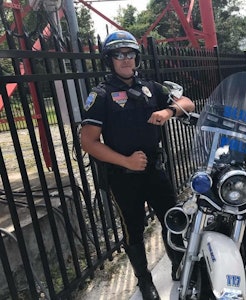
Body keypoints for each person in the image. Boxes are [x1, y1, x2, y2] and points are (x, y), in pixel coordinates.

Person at [80, 30, 195, 300]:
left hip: (155, 171)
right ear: (109, 60)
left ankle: (179, 264)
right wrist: (126, 161)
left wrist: (169, 111)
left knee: (172, 219)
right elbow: (89, 141)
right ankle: (144, 281)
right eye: (118, 55)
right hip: (123, 176)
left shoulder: (151, 88)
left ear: (136, 57)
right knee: (133, 230)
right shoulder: (100, 95)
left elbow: (187, 102)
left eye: (129, 53)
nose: (125, 59)